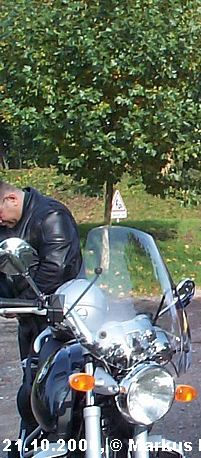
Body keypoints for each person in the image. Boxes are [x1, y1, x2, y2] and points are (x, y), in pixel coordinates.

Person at [0, 181, 83, 455]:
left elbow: (56, 269)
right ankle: (30, 447)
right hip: (31, 323)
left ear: (11, 198)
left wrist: (20, 302)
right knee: (29, 397)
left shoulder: (51, 217)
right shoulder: (9, 224)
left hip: (64, 323)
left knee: (61, 397)